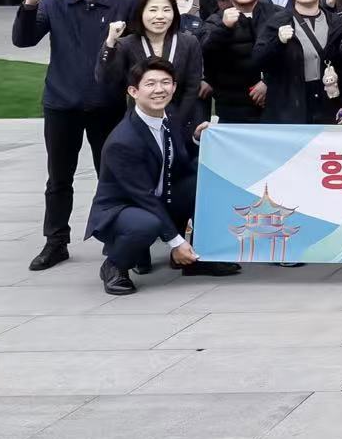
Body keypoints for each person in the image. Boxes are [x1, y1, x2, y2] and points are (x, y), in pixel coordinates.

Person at [15, 0, 139, 272]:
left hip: (109, 105)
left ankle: (122, 241)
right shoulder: (53, 3)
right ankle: (56, 241)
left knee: (113, 176)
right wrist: (29, 4)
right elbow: (23, 40)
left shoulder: (126, 2)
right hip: (62, 103)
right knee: (58, 178)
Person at [88, 58, 240, 296]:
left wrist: (196, 139)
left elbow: (179, 159)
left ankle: (194, 259)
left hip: (161, 194)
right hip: (125, 207)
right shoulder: (123, 141)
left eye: (165, 82)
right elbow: (143, 197)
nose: (159, 89)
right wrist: (176, 241)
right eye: (150, 84)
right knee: (147, 223)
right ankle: (115, 265)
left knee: (208, 183)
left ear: (174, 87)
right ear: (133, 91)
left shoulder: (168, 115)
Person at [100, 0, 209, 140]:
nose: (160, 16)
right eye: (152, 10)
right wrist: (110, 42)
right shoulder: (127, 44)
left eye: (166, 10)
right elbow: (105, 77)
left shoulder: (189, 42)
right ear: (141, 12)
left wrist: (177, 121)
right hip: (139, 122)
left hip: (180, 121)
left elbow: (192, 87)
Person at [252, 0, 342, 126]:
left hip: (328, 100)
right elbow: (258, 59)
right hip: (289, 104)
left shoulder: (336, 22)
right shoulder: (278, 20)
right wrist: (278, 41)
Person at [199, 0, 272, 125]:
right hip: (231, 109)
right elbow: (206, 51)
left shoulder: (276, 15)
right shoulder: (216, 19)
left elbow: (289, 57)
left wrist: (268, 82)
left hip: (273, 106)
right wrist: (224, 27)